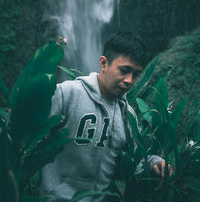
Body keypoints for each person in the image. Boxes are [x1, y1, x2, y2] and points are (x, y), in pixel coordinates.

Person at [41, 31, 172, 201]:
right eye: (124, 70)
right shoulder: (67, 94)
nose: (129, 80)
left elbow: (131, 162)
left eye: (135, 74)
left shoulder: (127, 115)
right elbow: (28, 136)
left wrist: (154, 162)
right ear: (104, 63)